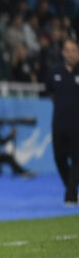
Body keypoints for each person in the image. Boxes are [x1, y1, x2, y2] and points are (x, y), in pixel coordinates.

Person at [46, 39, 79, 205]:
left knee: (77, 159)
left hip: (77, 125)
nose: (70, 54)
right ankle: (70, 187)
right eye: (68, 50)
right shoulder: (54, 72)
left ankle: (71, 195)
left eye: (73, 50)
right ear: (63, 53)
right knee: (59, 158)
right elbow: (50, 93)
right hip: (59, 123)